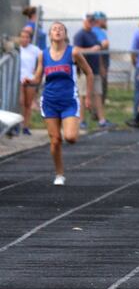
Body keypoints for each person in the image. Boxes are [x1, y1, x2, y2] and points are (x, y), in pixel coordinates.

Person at [26, 22, 94, 185]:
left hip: (69, 100)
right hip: (49, 101)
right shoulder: (43, 54)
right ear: (50, 35)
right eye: (54, 29)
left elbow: (89, 73)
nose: (57, 31)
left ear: (65, 34)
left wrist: (89, 97)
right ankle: (59, 174)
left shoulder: (74, 52)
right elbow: (38, 77)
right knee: (55, 140)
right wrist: (30, 80)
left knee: (70, 137)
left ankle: (69, 129)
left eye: (60, 29)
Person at [73, 13, 113, 129]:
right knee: (83, 95)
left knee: (98, 95)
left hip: (95, 70)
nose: (91, 22)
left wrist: (101, 66)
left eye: (92, 21)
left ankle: (102, 120)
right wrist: (90, 49)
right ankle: (81, 120)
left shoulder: (93, 34)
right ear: (84, 21)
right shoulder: (80, 35)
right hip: (84, 70)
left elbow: (98, 51)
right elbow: (76, 50)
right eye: (89, 20)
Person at [17, 29, 43, 135]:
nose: (24, 39)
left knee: (28, 104)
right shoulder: (16, 49)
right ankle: (17, 124)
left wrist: (37, 70)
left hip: (30, 78)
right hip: (18, 78)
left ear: (30, 39)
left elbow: (42, 60)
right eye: (22, 37)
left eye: (27, 37)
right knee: (20, 102)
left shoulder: (35, 49)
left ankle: (25, 126)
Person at [92, 11, 110, 105]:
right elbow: (104, 43)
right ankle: (97, 111)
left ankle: (95, 110)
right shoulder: (97, 30)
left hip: (98, 63)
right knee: (100, 88)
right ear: (98, 21)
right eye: (104, 20)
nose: (106, 22)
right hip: (100, 63)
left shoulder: (93, 30)